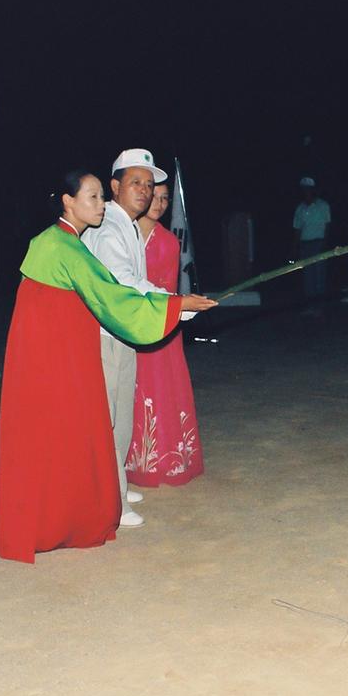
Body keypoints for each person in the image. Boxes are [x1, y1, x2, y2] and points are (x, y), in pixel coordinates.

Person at [0, 171, 215, 564]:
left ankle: (76, 508)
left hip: (61, 353)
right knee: (74, 431)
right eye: (93, 197)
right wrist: (176, 305)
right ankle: (65, 517)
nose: (101, 205)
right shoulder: (62, 246)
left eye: (101, 197)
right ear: (68, 201)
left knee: (72, 433)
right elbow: (112, 296)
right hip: (56, 358)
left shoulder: (65, 242)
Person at [81, 149, 169, 525]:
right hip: (102, 334)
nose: (144, 191)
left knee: (122, 417)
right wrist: (174, 302)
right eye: (135, 182)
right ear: (115, 186)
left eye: (149, 184)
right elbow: (124, 283)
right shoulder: (107, 228)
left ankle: (116, 482)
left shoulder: (128, 224)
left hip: (121, 332)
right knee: (107, 419)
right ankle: (112, 500)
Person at [126, 182, 205, 486]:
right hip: (130, 322)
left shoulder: (169, 241)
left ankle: (168, 457)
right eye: (154, 197)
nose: (158, 204)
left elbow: (167, 288)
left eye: (164, 199)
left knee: (163, 384)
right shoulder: (124, 235)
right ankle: (132, 459)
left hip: (161, 322)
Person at [292, 177, 332, 299]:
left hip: (319, 243)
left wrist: (325, 243)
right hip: (305, 245)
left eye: (308, 189)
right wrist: (296, 248)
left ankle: (320, 302)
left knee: (319, 273)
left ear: (313, 190)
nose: (305, 192)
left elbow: (328, 225)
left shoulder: (323, 205)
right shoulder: (300, 208)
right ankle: (310, 302)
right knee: (307, 275)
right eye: (303, 189)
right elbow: (297, 229)